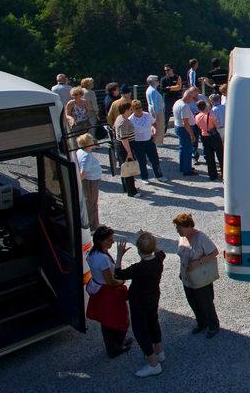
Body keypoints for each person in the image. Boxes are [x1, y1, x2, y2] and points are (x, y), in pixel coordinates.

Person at [115, 232, 166, 377]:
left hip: (139, 302)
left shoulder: (137, 268)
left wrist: (119, 255)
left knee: (140, 330)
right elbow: (160, 251)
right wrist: (147, 238)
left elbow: (117, 274)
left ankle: (153, 364)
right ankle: (159, 352)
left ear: (138, 250)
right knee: (153, 322)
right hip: (153, 297)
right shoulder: (158, 259)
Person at [85, 226, 132, 358]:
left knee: (107, 320)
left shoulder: (93, 254)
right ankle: (115, 347)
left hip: (100, 291)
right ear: (100, 241)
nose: (112, 242)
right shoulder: (103, 258)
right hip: (109, 293)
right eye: (109, 240)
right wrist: (122, 281)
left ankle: (116, 345)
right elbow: (111, 281)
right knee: (118, 318)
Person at [174, 213, 220, 338]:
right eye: (176, 228)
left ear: (188, 226)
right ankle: (201, 323)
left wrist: (197, 263)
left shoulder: (201, 237)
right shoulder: (183, 237)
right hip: (187, 278)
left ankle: (213, 325)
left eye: (179, 228)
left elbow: (214, 252)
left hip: (201, 279)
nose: (177, 230)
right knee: (193, 302)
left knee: (206, 303)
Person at [130, 100, 163, 181]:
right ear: (133, 109)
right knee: (142, 161)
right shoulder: (130, 119)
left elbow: (154, 123)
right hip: (137, 143)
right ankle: (144, 178)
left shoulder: (147, 115)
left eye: (140, 107)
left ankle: (159, 175)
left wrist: (155, 133)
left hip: (149, 140)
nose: (139, 109)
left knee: (155, 159)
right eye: (137, 108)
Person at [76, 133, 102, 229]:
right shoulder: (86, 156)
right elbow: (83, 173)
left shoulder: (81, 151)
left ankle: (93, 224)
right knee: (92, 204)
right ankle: (93, 226)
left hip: (90, 181)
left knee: (91, 203)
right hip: (90, 182)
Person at [113, 99, 138, 196]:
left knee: (124, 168)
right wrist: (129, 152)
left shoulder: (119, 117)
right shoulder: (123, 122)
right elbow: (124, 139)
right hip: (125, 146)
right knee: (129, 170)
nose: (131, 111)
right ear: (126, 110)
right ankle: (132, 191)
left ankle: (126, 188)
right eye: (130, 109)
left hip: (120, 145)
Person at [195, 100, 223, 180]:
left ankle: (212, 175)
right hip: (213, 136)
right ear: (205, 106)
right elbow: (217, 126)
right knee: (220, 155)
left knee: (209, 157)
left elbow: (198, 126)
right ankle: (223, 173)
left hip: (204, 137)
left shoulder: (197, 116)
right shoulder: (210, 115)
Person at [172, 89, 197, 176]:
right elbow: (185, 123)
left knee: (182, 148)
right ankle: (187, 170)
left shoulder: (178, 102)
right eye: (193, 98)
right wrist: (192, 134)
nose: (193, 100)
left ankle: (183, 167)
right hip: (184, 129)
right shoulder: (184, 106)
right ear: (189, 97)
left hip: (178, 127)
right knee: (187, 150)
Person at [64, 86, 92, 150]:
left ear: (81, 94)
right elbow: (67, 115)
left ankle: (87, 151)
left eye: (76, 94)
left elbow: (88, 111)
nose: (74, 96)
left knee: (86, 140)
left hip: (85, 123)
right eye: (73, 95)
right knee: (76, 142)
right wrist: (71, 119)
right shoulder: (70, 103)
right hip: (76, 124)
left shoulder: (84, 101)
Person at [145, 75, 166, 140]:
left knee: (155, 126)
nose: (158, 81)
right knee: (159, 126)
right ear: (153, 82)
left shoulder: (150, 89)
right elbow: (154, 104)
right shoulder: (153, 91)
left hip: (155, 110)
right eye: (157, 80)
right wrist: (156, 115)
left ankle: (155, 139)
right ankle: (157, 141)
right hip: (157, 111)